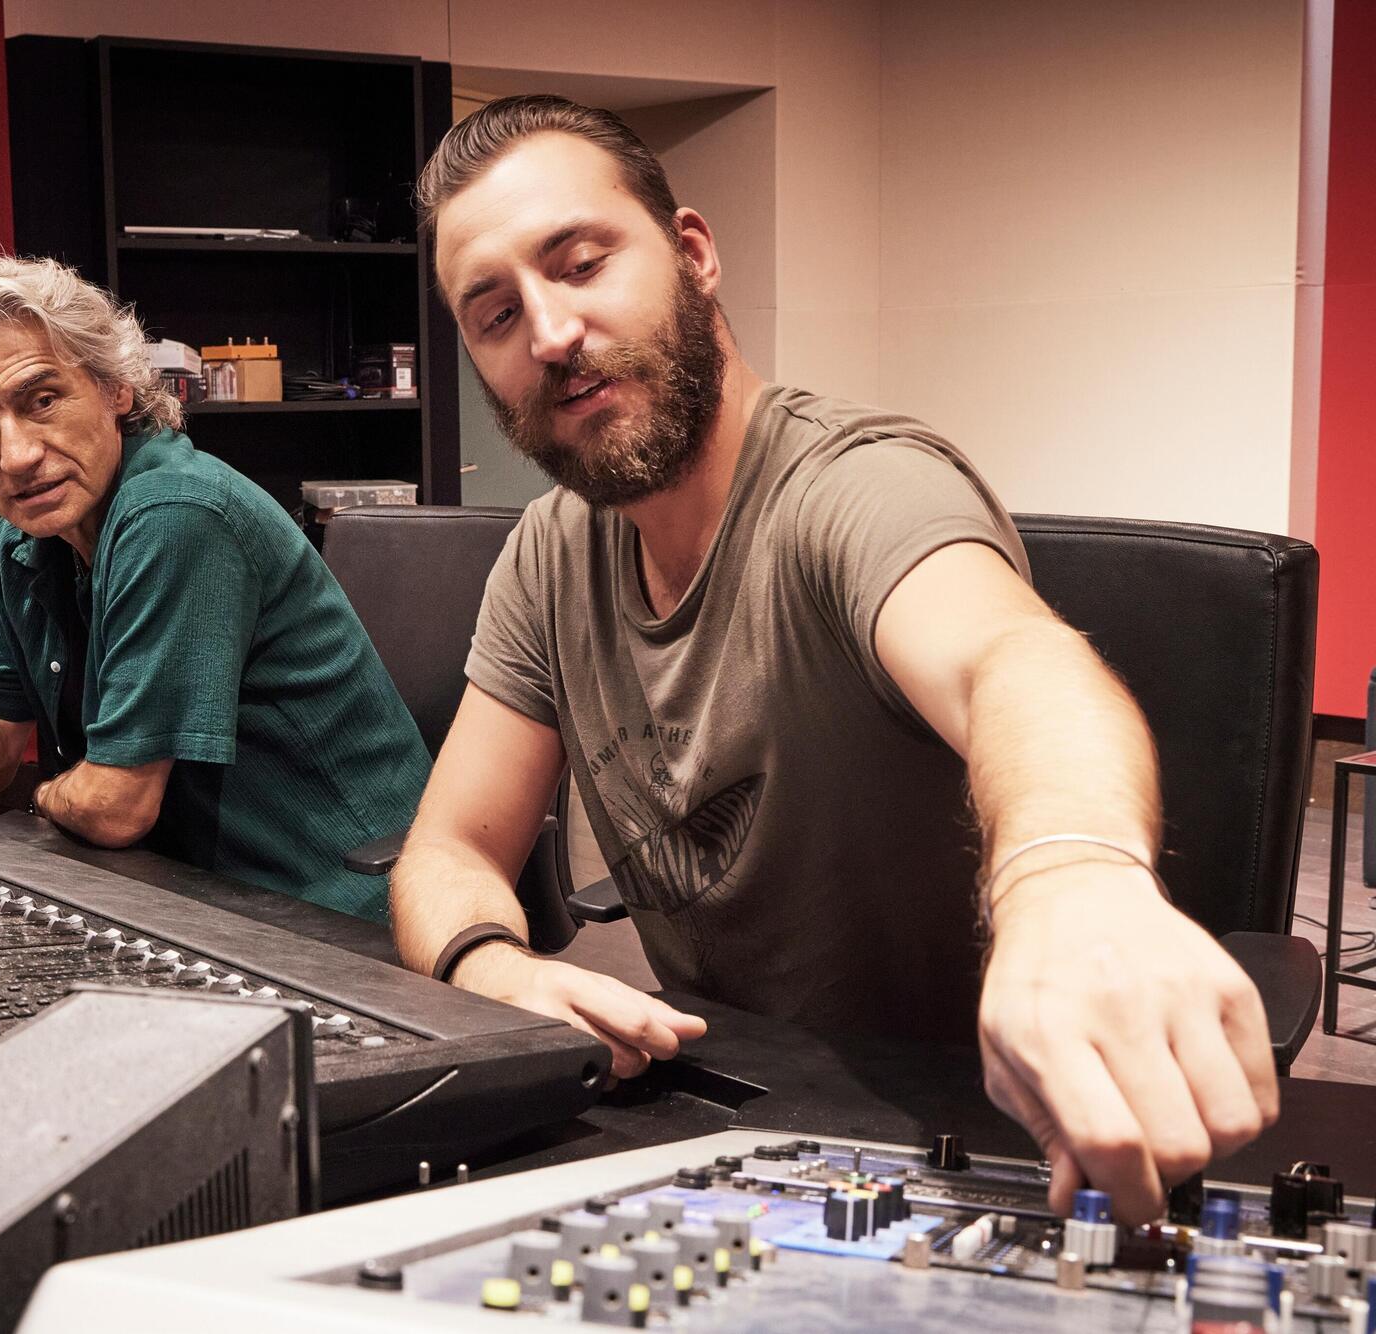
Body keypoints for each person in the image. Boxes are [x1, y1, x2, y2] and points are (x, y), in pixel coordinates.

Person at [390, 95, 1277, 1224]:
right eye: (495, 312)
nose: (551, 333)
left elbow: (1014, 661)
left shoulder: (853, 486)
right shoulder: (549, 552)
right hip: (731, 1120)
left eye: (581, 262)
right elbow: (447, 849)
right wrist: (490, 969)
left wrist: (1068, 876)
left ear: (693, 255)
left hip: (1000, 1140)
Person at [0, 256, 430, 921]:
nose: (16, 456)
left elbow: (115, 808)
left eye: (42, 400)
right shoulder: (20, 526)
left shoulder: (175, 513)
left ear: (115, 388)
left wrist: (39, 797)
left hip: (343, 915)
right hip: (189, 896)